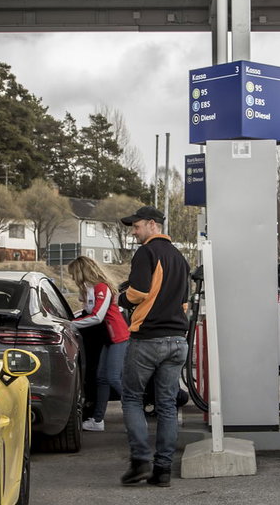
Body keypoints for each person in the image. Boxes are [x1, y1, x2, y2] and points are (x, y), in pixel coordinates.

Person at [116, 205, 191, 487]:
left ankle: (140, 462)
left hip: (148, 339)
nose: (134, 233)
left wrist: (121, 298)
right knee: (167, 404)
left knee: (132, 398)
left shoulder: (146, 253)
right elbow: (184, 304)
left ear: (152, 224)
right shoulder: (180, 259)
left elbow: (138, 292)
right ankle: (163, 470)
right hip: (177, 341)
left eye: (136, 227)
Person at [67, 256, 130, 433]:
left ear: (81, 272)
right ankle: (97, 420)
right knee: (102, 378)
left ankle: (135, 412)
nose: (72, 277)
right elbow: (89, 312)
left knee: (113, 378)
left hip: (118, 336)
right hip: (108, 337)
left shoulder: (101, 287)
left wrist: (70, 324)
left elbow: (97, 316)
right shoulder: (91, 289)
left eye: (73, 274)